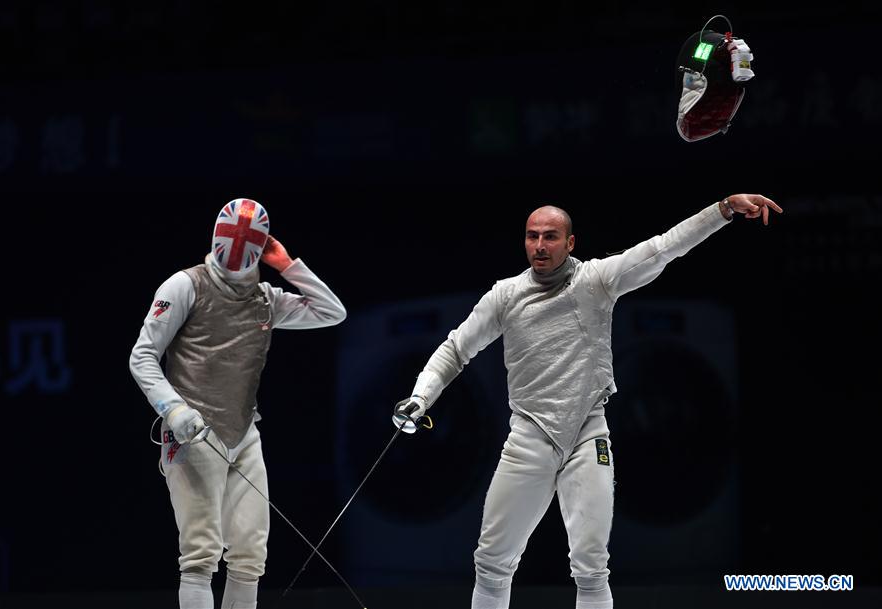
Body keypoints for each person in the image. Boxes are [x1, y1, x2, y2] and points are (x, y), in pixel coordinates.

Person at [392, 195, 782, 609]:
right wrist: (421, 397)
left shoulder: (598, 280)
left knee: (592, 566)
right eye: (532, 236)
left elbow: (665, 246)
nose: (540, 245)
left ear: (571, 242)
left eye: (550, 237)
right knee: (491, 563)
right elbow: (456, 348)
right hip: (528, 437)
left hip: (587, 435)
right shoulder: (505, 296)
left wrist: (721, 210)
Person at [130, 198, 346, 609]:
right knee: (200, 554)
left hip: (244, 434)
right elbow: (142, 356)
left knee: (250, 555)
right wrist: (174, 410)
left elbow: (331, 312)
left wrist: (288, 266)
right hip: (191, 434)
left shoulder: (267, 299)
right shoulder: (184, 285)